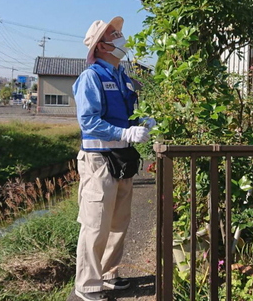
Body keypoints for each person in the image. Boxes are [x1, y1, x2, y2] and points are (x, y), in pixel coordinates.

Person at [72, 16, 154, 301]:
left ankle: (108, 275)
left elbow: (127, 115)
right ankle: (87, 285)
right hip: (98, 161)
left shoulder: (121, 76)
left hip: (121, 158)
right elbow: (89, 122)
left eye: (119, 32)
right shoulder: (91, 77)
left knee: (119, 221)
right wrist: (125, 132)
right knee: (95, 224)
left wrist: (142, 122)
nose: (121, 37)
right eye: (114, 34)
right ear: (102, 46)